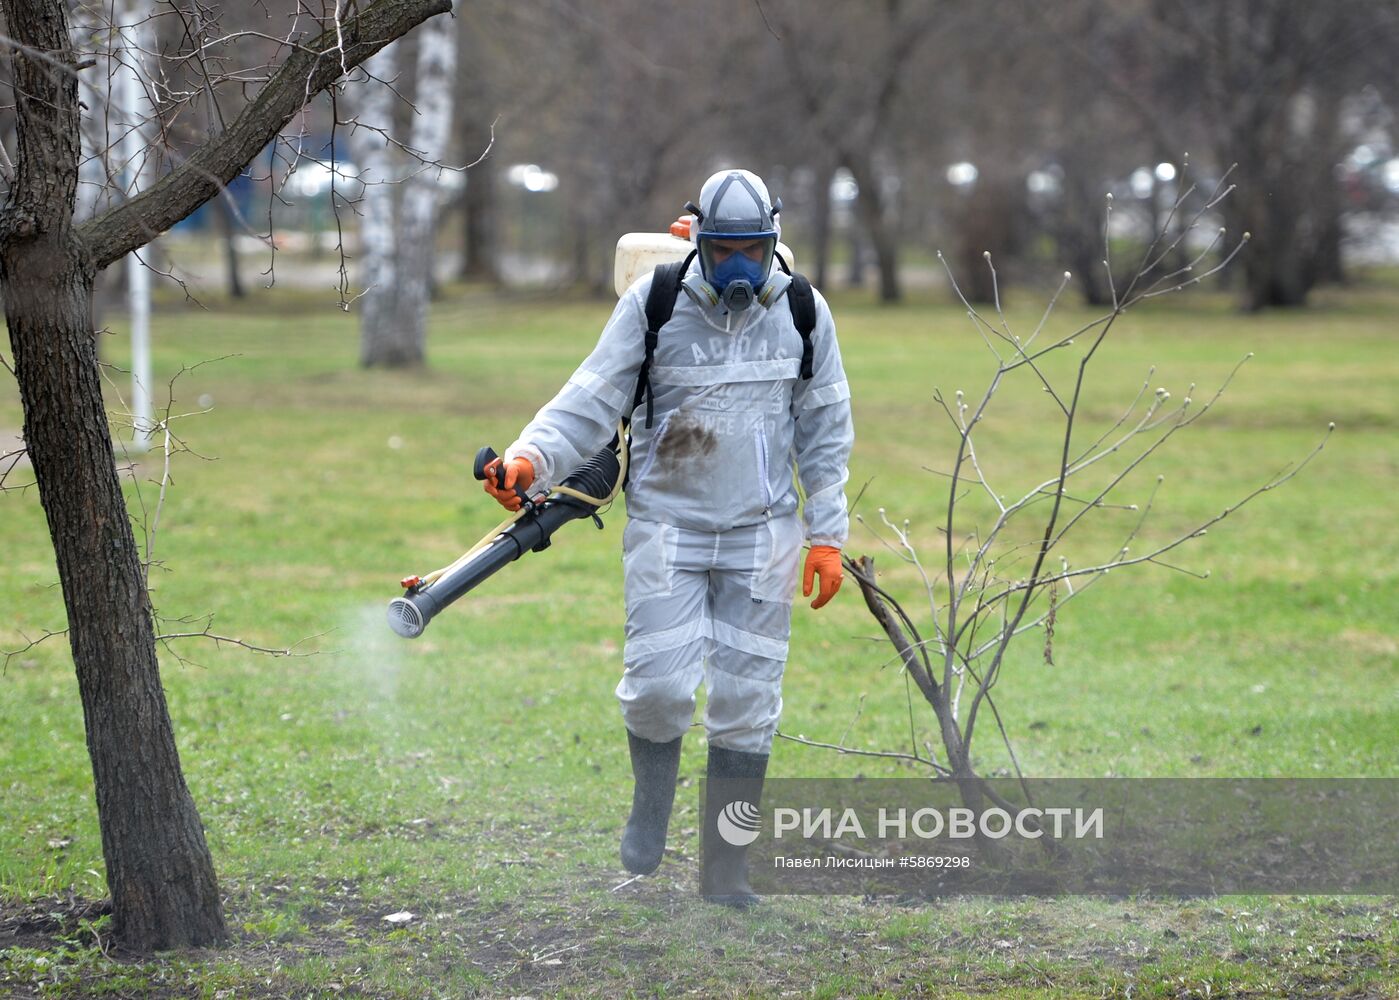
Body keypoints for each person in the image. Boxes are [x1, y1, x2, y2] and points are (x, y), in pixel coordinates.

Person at [482, 168, 854, 907]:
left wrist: (826, 535)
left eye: (753, 249)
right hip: (667, 529)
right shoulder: (652, 302)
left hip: (764, 533)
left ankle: (726, 870)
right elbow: (589, 399)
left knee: (748, 703)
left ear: (772, 242)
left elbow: (826, 430)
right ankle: (649, 808)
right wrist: (529, 457)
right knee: (656, 690)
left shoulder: (805, 312)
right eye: (725, 251)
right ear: (700, 245)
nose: (739, 268)